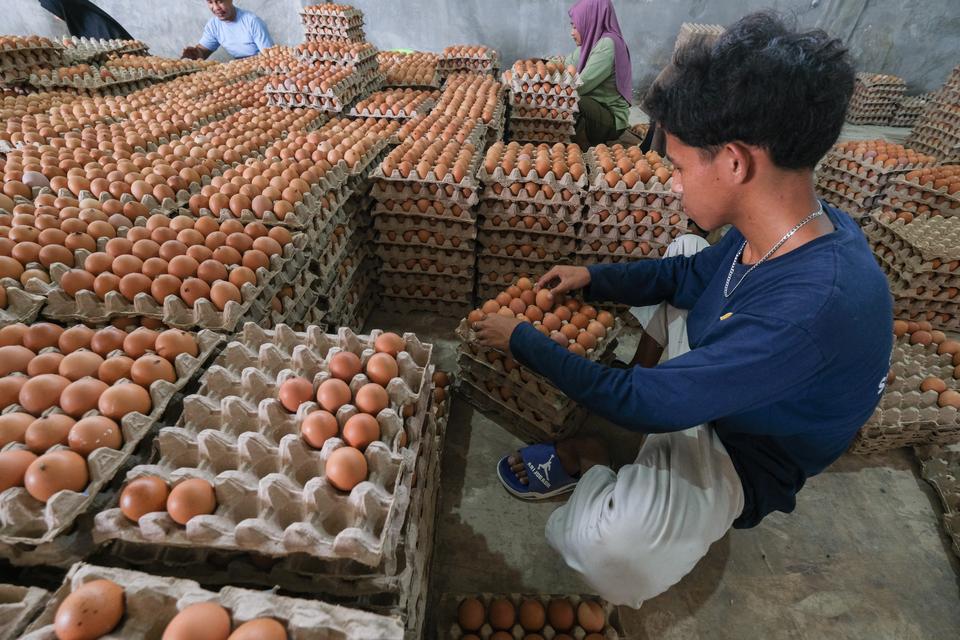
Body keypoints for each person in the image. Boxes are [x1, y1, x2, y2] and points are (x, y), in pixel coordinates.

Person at [473, 12, 892, 607]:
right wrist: (594, 277)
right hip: (738, 374)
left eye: (676, 165)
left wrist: (523, 340)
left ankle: (596, 460)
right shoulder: (789, 226)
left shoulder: (810, 310)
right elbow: (691, 273)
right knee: (687, 250)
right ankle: (654, 403)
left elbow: (643, 404)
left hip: (744, 450)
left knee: (612, 559)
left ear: (735, 163)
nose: (671, 184)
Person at [564, 0, 632, 148]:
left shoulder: (608, 44)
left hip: (610, 118)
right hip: (596, 109)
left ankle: (582, 149)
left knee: (571, 99)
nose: (572, 33)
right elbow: (565, 64)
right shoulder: (591, 43)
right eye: (572, 26)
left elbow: (580, 86)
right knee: (565, 97)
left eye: (576, 26)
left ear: (589, 21)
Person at [181, 0, 273, 60]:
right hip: (238, 71)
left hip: (259, 69)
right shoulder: (213, 25)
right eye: (210, 2)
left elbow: (271, 57)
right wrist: (194, 53)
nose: (216, 8)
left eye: (220, 1)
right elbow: (203, 51)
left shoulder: (252, 21)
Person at [40, 0, 133, 40]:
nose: (55, 17)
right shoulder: (82, 24)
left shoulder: (98, 28)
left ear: (63, 8)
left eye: (54, 12)